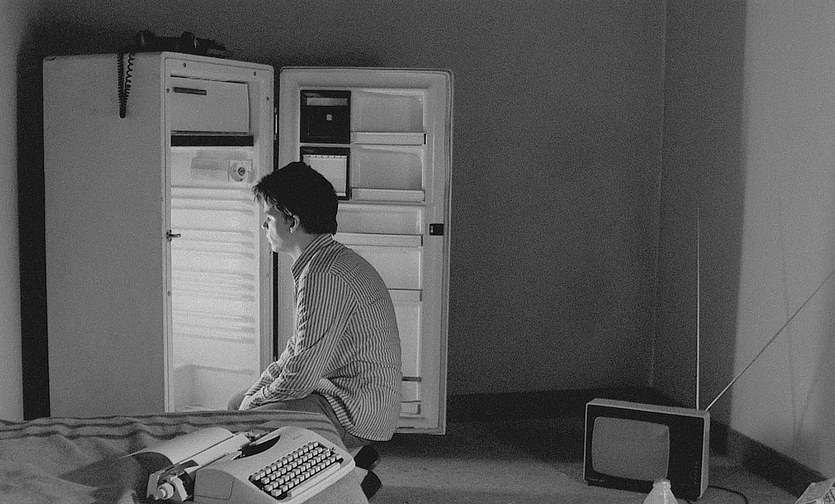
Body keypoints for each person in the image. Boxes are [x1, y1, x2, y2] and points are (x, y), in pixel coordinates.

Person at [228, 161, 402, 454]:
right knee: (238, 405)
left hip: (354, 410)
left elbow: (301, 376)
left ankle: (310, 476)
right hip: (350, 397)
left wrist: (255, 403)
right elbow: (296, 351)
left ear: (292, 222)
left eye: (269, 218)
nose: (264, 226)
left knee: (246, 421)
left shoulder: (322, 275)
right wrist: (256, 394)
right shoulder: (324, 263)